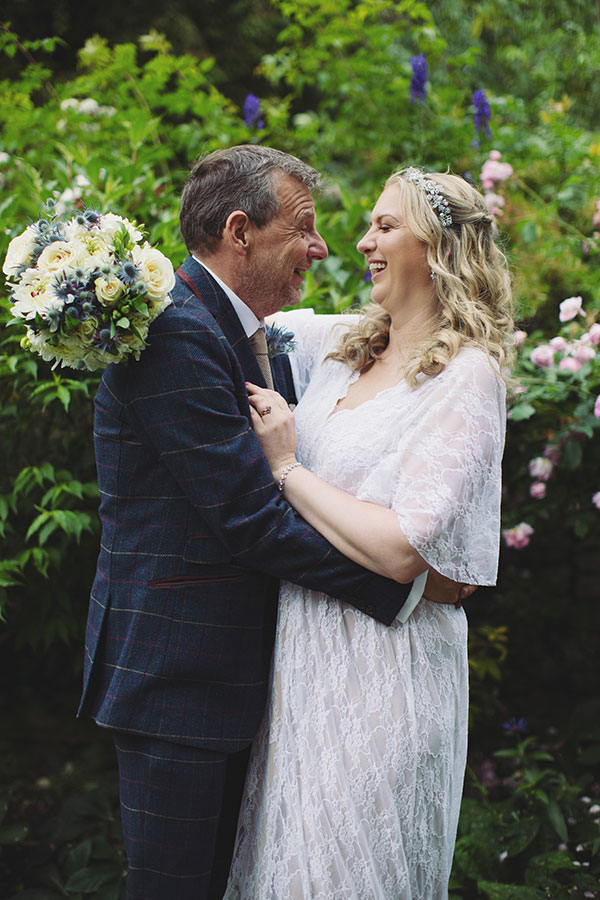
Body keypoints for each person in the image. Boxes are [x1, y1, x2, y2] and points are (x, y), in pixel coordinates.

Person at [77, 147, 471, 900]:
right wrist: (408, 585)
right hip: (179, 683)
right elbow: (251, 519)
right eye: (304, 228)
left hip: (240, 681)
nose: (322, 248)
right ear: (240, 232)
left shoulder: (252, 331)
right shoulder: (177, 331)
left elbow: (400, 332)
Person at [225, 167, 514, 899]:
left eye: (386, 226)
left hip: (388, 673)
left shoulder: (468, 377)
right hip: (301, 665)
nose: (361, 241)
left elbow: (401, 548)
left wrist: (287, 468)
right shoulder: (341, 345)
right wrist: (102, 281)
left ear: (438, 247)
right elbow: (226, 311)